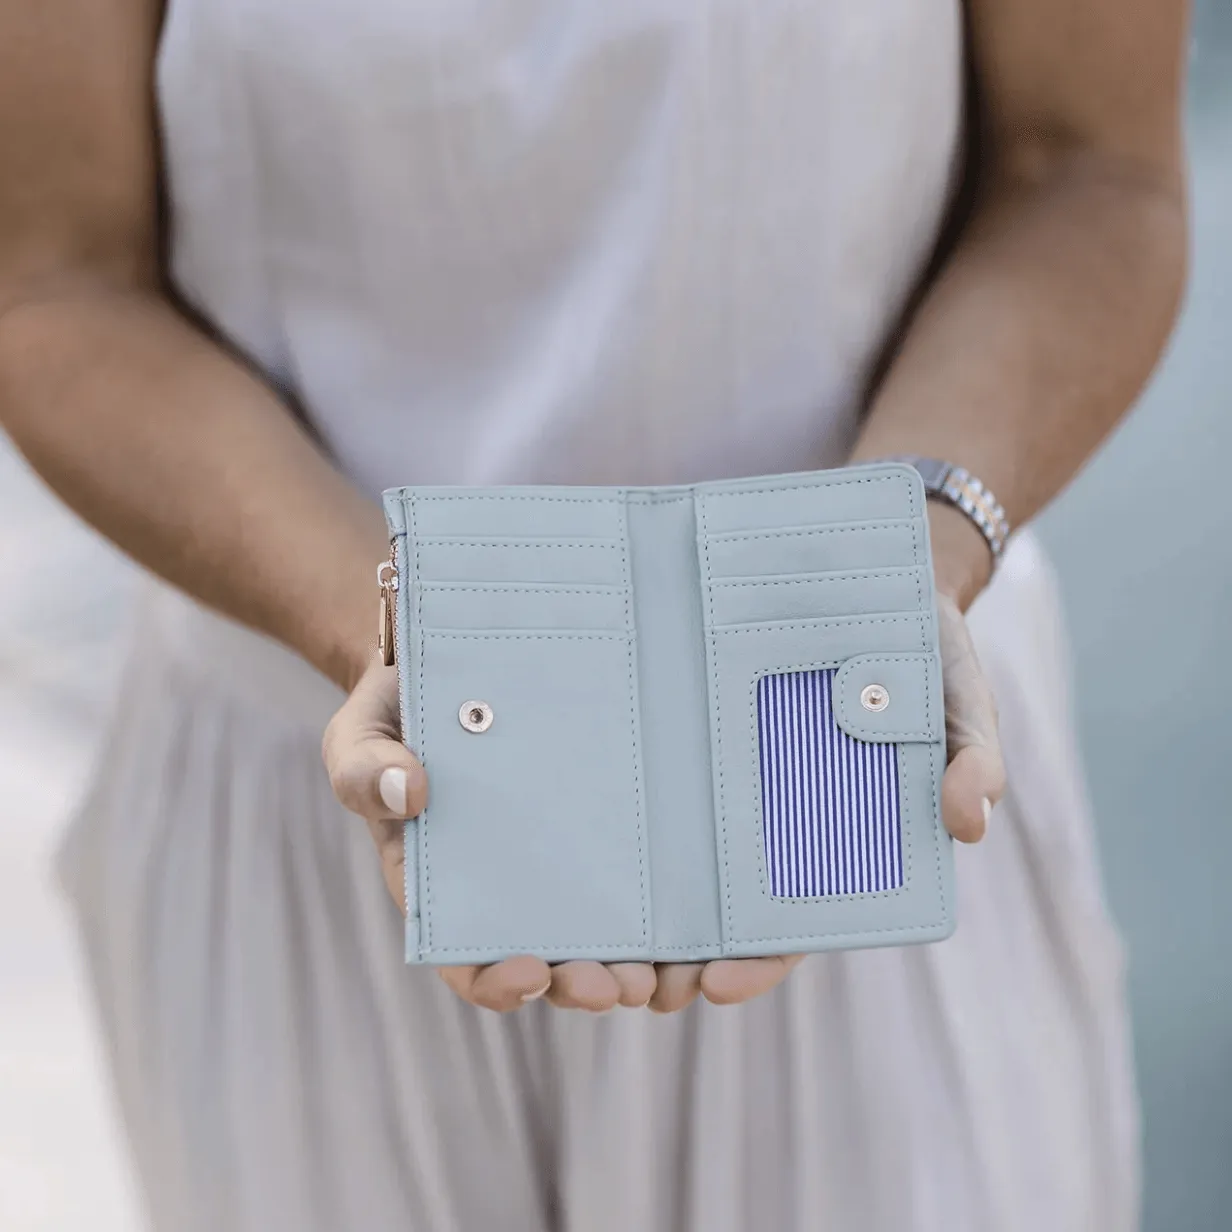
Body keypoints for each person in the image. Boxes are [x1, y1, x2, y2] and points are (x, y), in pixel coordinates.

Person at [0, 1, 1188, 1228]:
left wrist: (901, 562)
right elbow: (58, 283)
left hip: (851, 769)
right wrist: (404, 635)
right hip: (322, 787)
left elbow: (1087, 170)